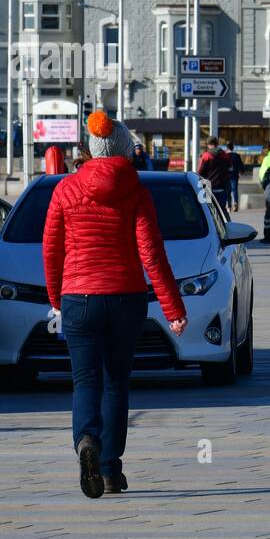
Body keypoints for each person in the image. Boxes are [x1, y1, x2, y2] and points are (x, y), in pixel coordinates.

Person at [42, 111, 187, 499]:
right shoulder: (136, 191)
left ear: (90, 149)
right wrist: (173, 310)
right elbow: (152, 254)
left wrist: (57, 298)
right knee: (116, 383)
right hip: (125, 298)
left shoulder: (65, 191)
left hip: (79, 298)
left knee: (85, 380)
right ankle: (109, 470)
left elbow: (51, 251)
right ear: (125, 150)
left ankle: (86, 440)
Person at [197, 137, 231, 214]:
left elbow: (199, 172)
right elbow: (230, 169)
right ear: (217, 144)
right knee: (222, 210)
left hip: (209, 187)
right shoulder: (225, 155)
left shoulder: (206, 156)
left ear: (208, 145)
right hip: (222, 187)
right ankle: (226, 225)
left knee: (209, 211)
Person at [225, 143, 245, 211]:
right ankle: (235, 202)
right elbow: (241, 165)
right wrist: (241, 172)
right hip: (235, 175)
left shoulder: (225, 156)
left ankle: (229, 206)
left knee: (228, 191)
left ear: (227, 148)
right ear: (233, 148)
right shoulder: (236, 155)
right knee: (234, 190)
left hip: (226, 176)